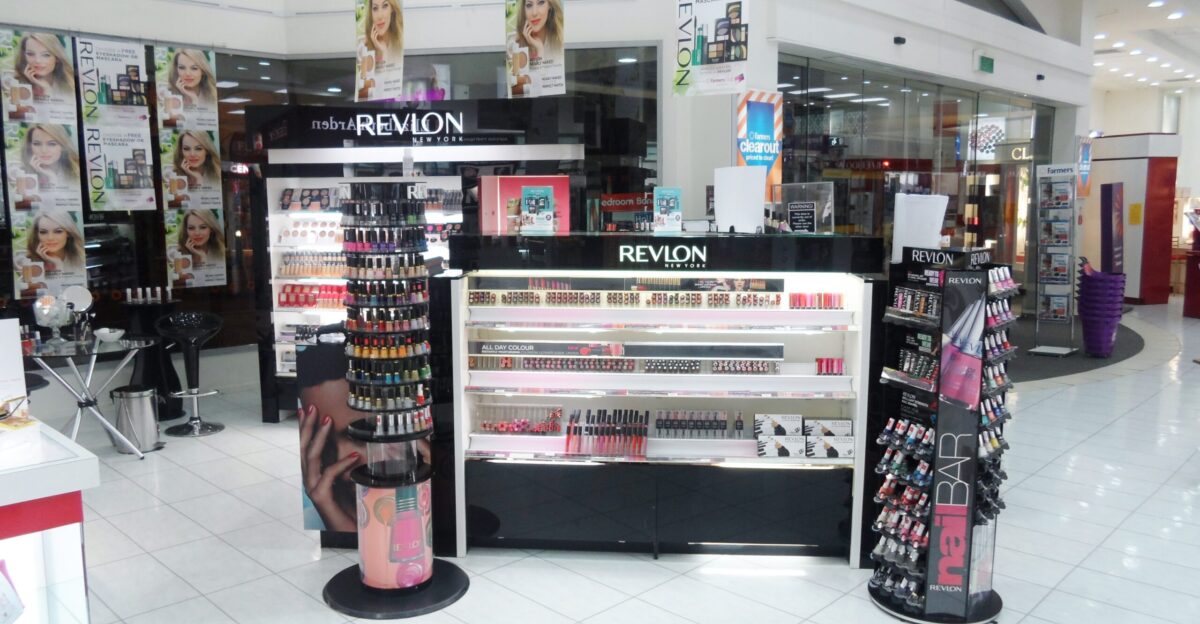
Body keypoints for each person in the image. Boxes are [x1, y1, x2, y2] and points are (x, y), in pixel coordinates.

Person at [14, 33, 75, 100]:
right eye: (30, 54)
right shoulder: (14, 84)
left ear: (57, 58)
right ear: (23, 56)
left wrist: (47, 89)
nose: (38, 60)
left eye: (46, 55)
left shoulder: (72, 85)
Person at [22, 208, 85, 273]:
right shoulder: (27, 262)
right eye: (43, 232)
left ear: (68, 233)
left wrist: (58, 263)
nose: (50, 238)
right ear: (36, 234)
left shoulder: (80, 258)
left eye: (58, 231)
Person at [21, 124, 79, 188]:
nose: (44, 150)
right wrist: (51, 178)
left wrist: (52, 177)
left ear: (62, 146)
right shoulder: (21, 174)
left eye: (52, 144)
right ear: (30, 146)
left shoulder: (77, 171)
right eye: (37, 144)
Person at [365, 0, 404, 66]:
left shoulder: (399, 40)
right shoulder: (364, 45)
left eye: (385, 6)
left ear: (392, 8)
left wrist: (384, 53)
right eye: (375, 8)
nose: (380, 16)